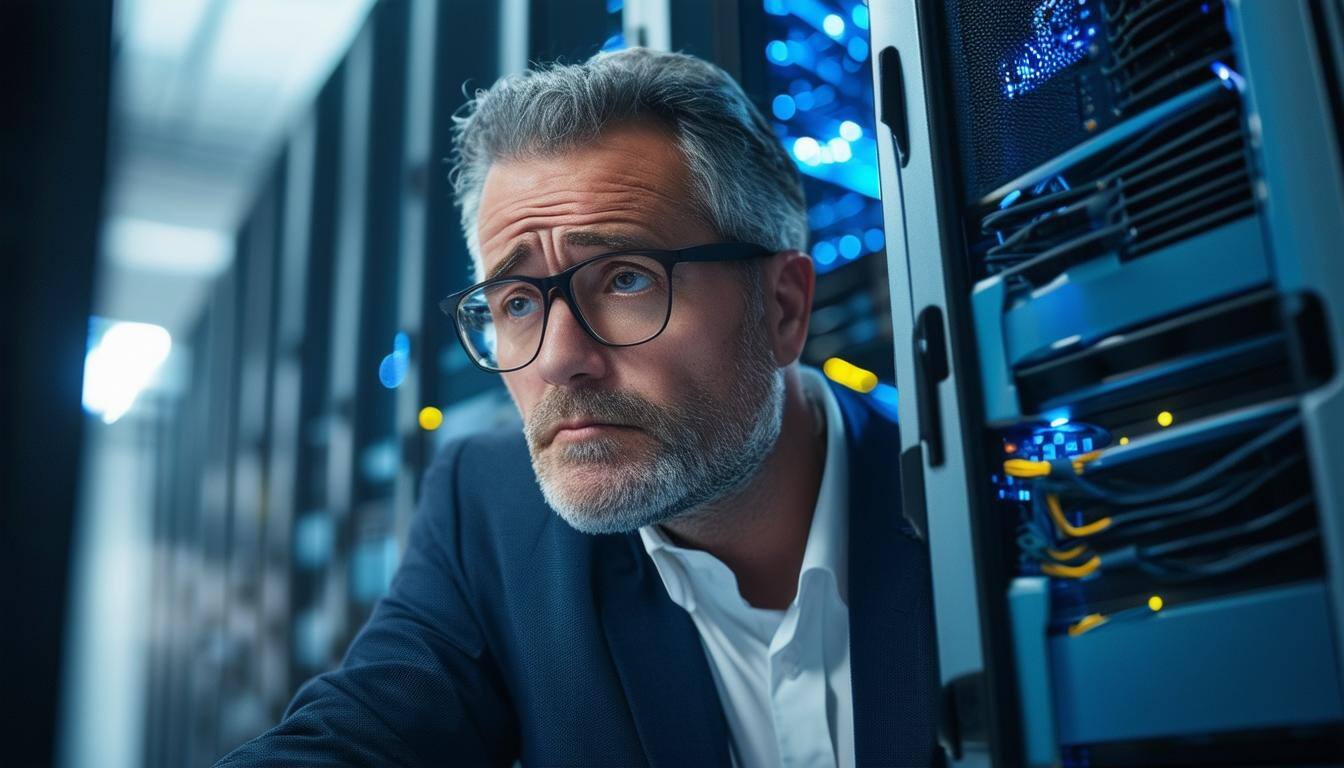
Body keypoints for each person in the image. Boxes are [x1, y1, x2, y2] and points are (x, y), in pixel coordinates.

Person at [216, 47, 937, 768]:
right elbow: (359, 737)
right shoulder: (490, 504)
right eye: (519, 302)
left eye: (625, 279)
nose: (559, 358)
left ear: (782, 309)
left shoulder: (967, 500)